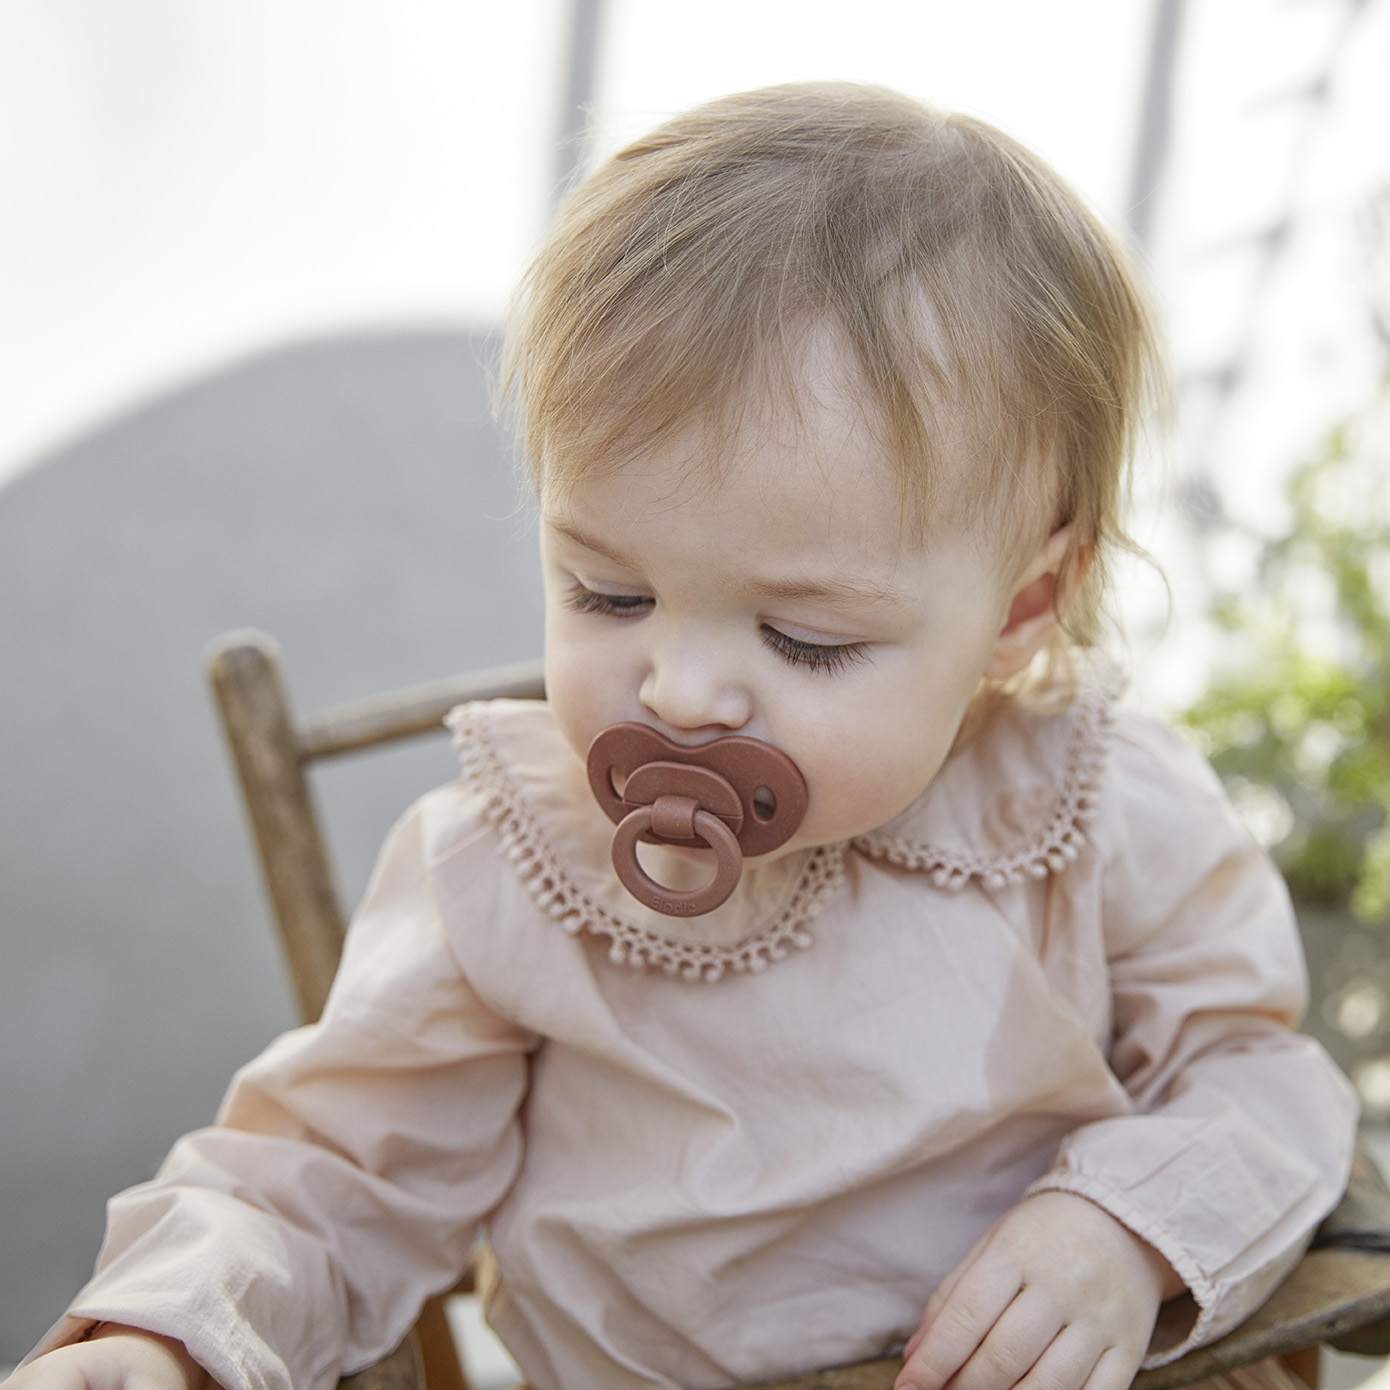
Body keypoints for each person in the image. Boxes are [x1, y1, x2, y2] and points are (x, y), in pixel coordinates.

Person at [6, 83, 1357, 1390]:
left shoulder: (1095, 802)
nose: (682, 691)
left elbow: (1253, 1077)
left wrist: (1121, 1228)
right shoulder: (508, 868)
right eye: (608, 591)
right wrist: (173, 1330)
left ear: (1020, 608)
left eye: (805, 638)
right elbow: (333, 1174)